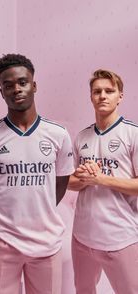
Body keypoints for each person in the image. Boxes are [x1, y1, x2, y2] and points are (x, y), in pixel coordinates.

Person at [0, 53, 74, 294]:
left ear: (34, 85)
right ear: (1, 92)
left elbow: (60, 183)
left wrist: (41, 210)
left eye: (22, 82)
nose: (16, 89)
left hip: (46, 242)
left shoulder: (58, 134)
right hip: (2, 241)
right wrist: (8, 215)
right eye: (8, 85)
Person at [68, 69, 138, 294]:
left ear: (120, 96)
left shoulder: (132, 134)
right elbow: (70, 182)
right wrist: (84, 178)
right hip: (82, 237)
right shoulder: (81, 137)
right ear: (91, 97)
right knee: (83, 290)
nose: (103, 96)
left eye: (109, 90)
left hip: (120, 237)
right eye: (97, 91)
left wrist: (101, 179)